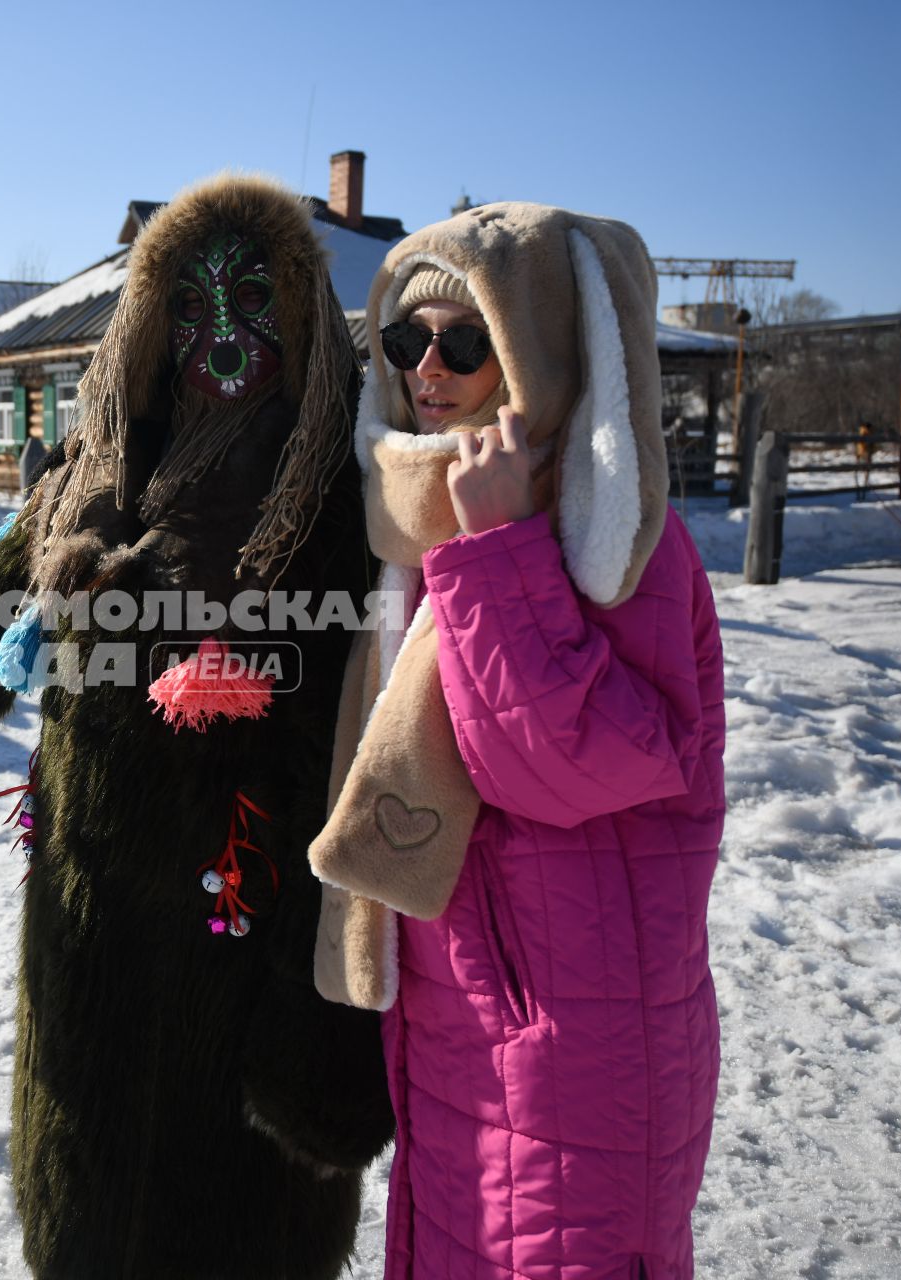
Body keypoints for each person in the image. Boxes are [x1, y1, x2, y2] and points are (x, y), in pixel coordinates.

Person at [0, 175, 390, 1278]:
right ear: (152, 320)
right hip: (88, 959)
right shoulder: (90, 488)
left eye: (252, 303)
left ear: (297, 321)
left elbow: (363, 773)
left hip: (247, 975)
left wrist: (325, 1022)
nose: (224, 337)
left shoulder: (344, 505)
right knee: (87, 1231)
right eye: (193, 306)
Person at [306, 204, 724, 1279]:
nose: (427, 370)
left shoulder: (613, 528)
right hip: (474, 1014)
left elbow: (575, 761)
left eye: (464, 340)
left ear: (535, 348)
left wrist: (498, 553)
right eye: (404, 342)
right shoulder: (423, 512)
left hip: (575, 1040)